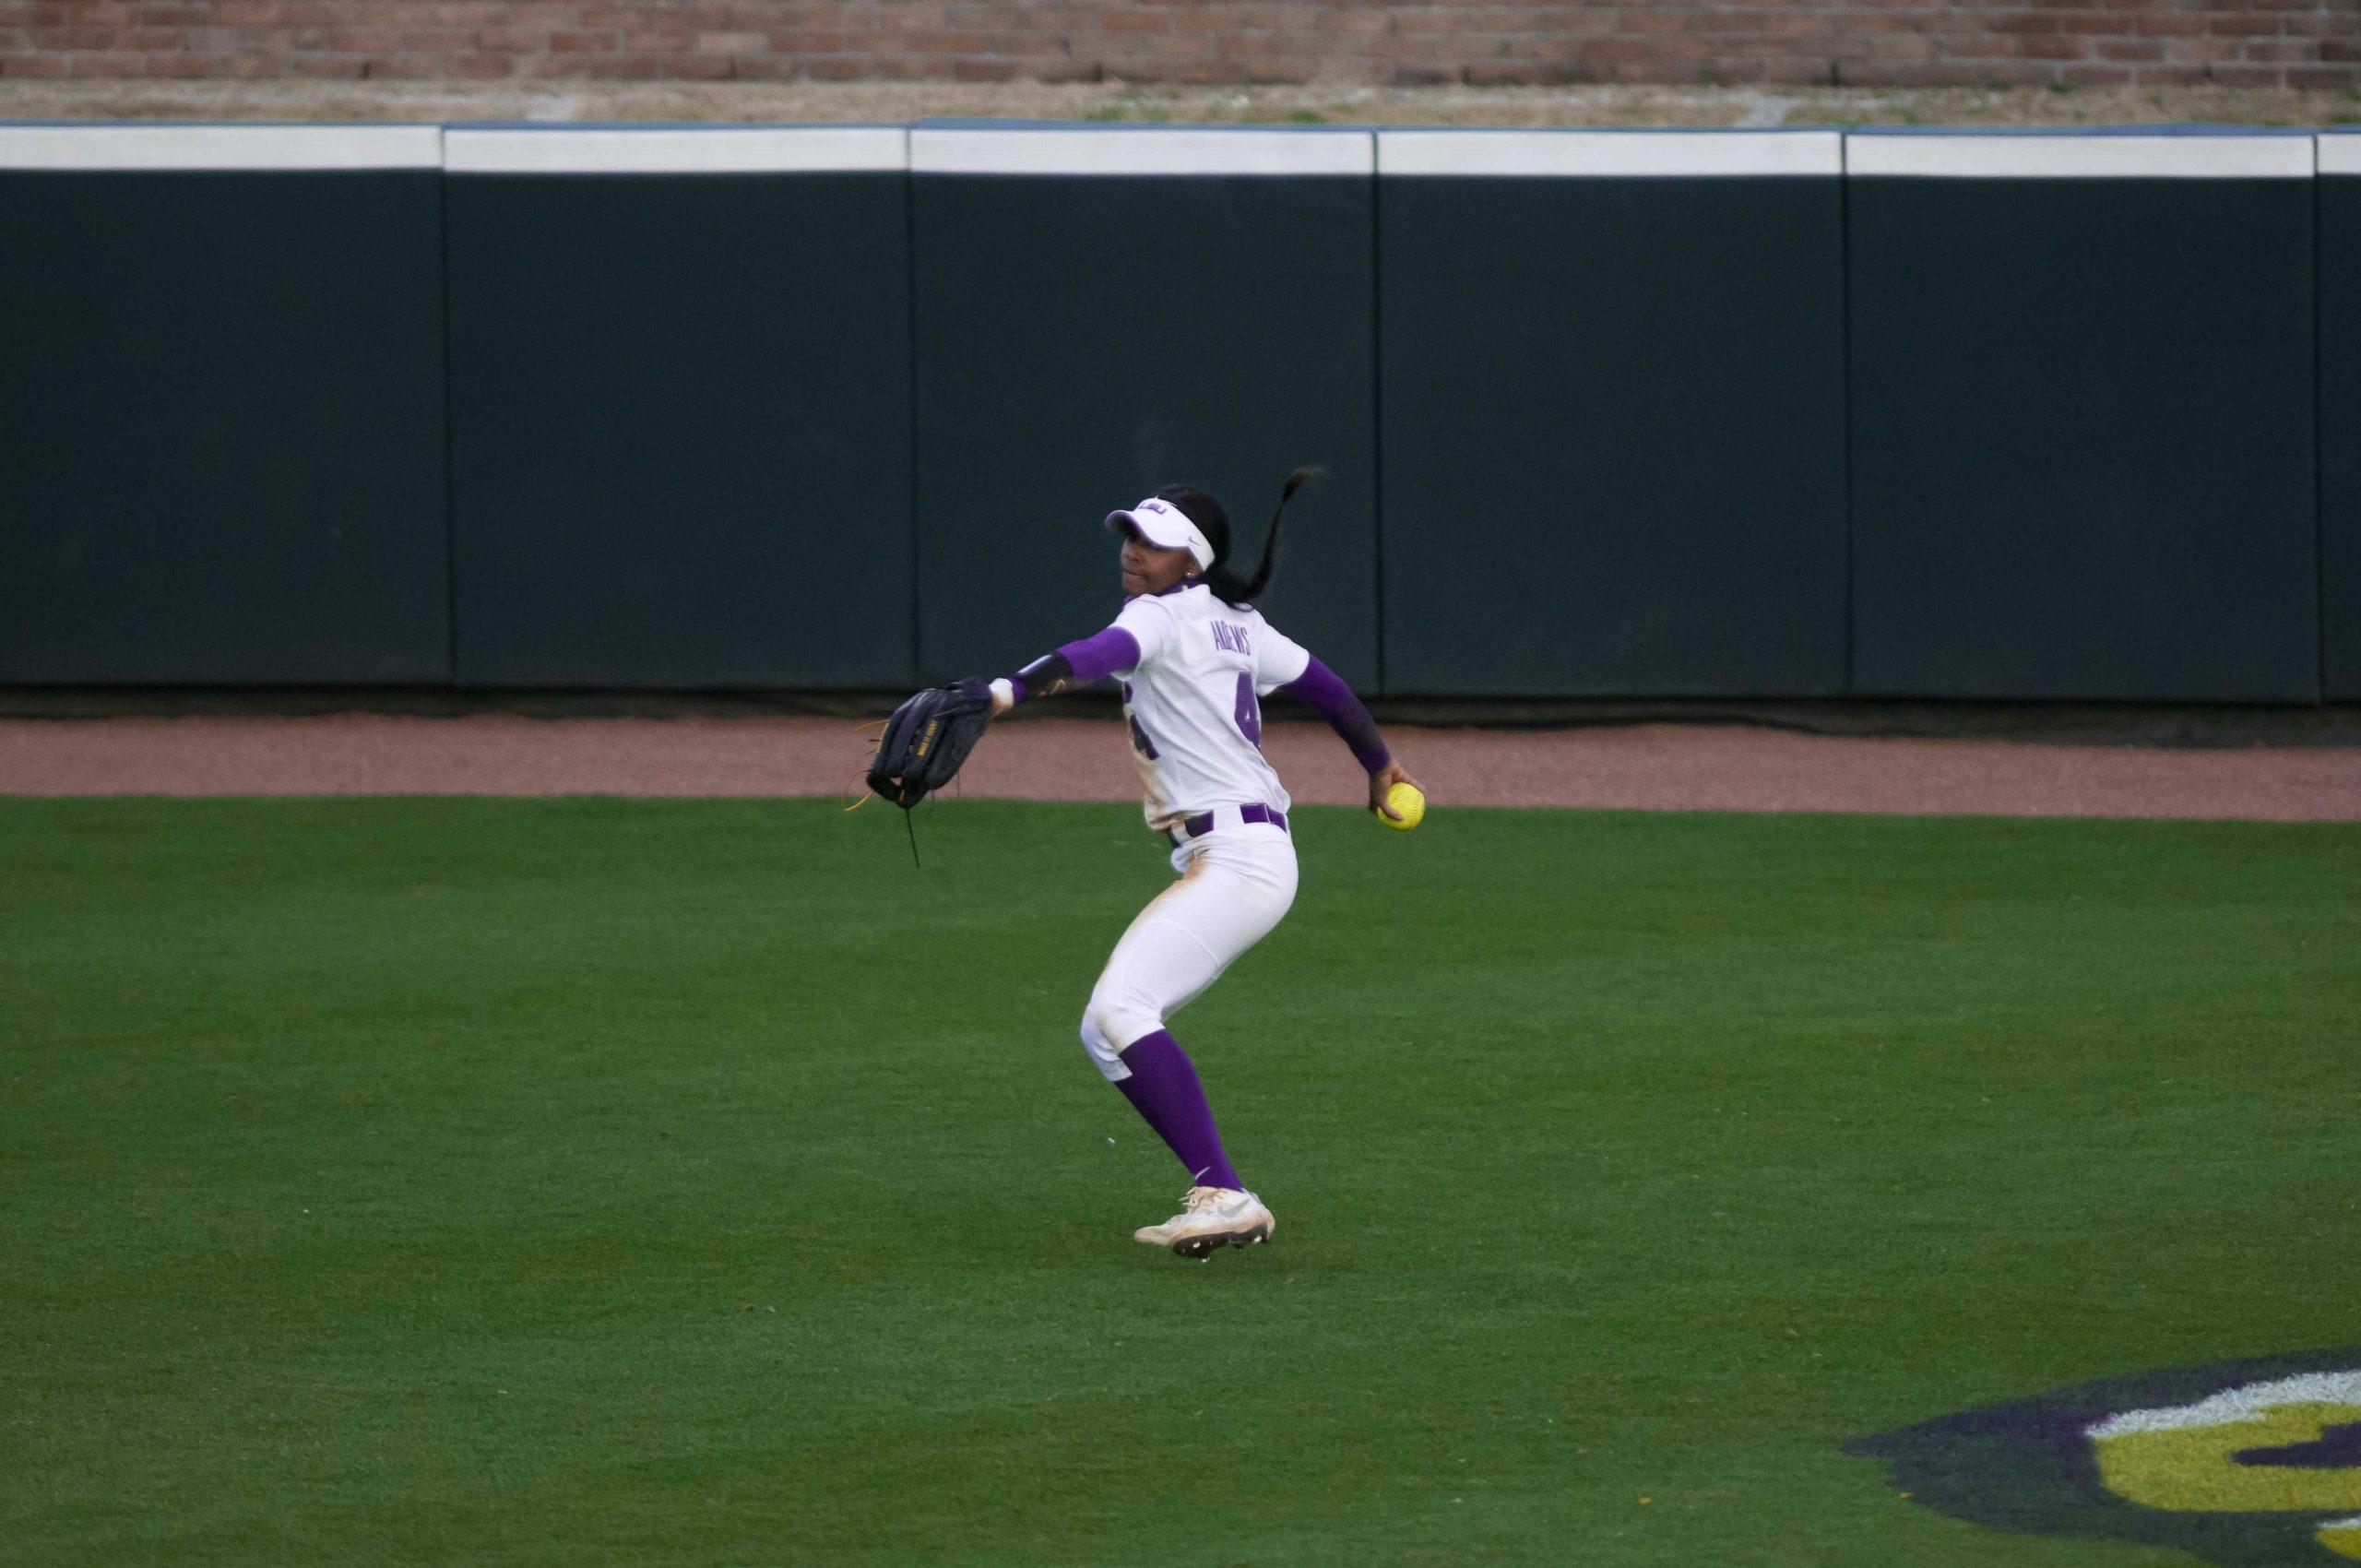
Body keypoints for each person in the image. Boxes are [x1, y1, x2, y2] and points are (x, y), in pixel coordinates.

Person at [978, 471, 1419, 1259]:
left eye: (1155, 541)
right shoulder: (1239, 624)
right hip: (1250, 855)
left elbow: (1098, 653)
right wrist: (1380, 767)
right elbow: (1333, 693)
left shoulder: (1164, 616)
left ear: (1192, 560)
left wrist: (1006, 692)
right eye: (1131, 537)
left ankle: (1227, 1194)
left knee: (1120, 1013)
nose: (1134, 552)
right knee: (1105, 1027)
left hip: (1238, 859)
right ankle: (1218, 1189)